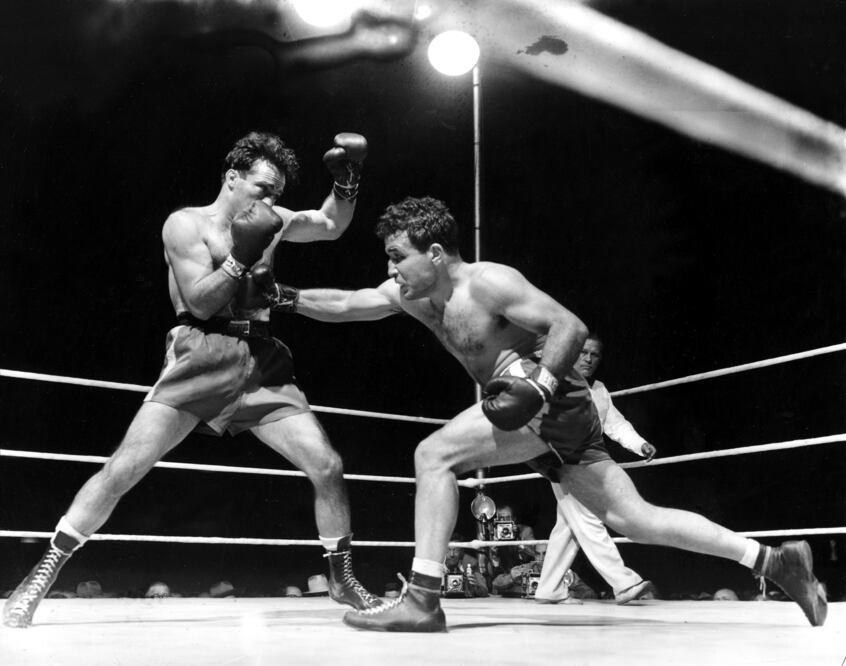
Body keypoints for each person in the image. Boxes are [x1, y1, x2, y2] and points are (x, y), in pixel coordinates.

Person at [251, 195, 827, 632]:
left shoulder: (490, 282)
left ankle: (424, 600)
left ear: (434, 252)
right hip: (533, 410)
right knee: (634, 517)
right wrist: (284, 297)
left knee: (434, 454)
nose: (391, 267)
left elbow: (569, 326)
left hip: (548, 399)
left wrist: (542, 387)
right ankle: (775, 560)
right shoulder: (410, 294)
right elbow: (352, 305)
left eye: (397, 256)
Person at [2, 130, 382, 629]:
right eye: (262, 188)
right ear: (231, 178)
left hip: (262, 359)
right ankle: (42, 575)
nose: (271, 201)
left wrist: (347, 183)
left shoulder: (276, 220)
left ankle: (342, 577)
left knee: (327, 465)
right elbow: (201, 301)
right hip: (200, 350)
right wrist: (241, 255)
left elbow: (331, 225)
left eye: (277, 194)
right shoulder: (185, 225)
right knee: (123, 470)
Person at [535, 334, 657, 605]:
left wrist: (640, 444)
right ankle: (624, 583)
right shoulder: (557, 383)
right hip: (562, 461)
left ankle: (548, 588)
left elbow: (615, 424)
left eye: (595, 355)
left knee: (568, 526)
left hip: (590, 463)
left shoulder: (599, 389)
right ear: (572, 353)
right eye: (583, 353)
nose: (588, 359)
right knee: (589, 518)